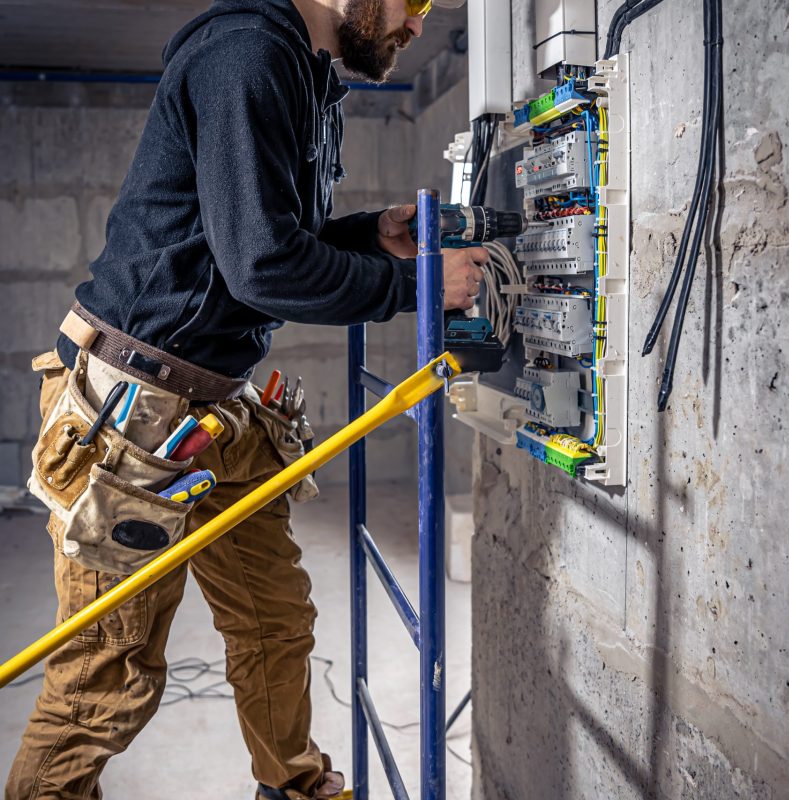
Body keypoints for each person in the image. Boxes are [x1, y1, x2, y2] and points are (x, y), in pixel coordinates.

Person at [5, 1, 487, 798]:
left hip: (212, 409)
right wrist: (418, 287)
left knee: (274, 621)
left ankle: (291, 786)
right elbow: (262, 268)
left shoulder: (303, 71)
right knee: (103, 685)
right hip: (131, 418)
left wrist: (369, 235)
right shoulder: (246, 53)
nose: (418, 24)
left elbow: (258, 235)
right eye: (416, 1)